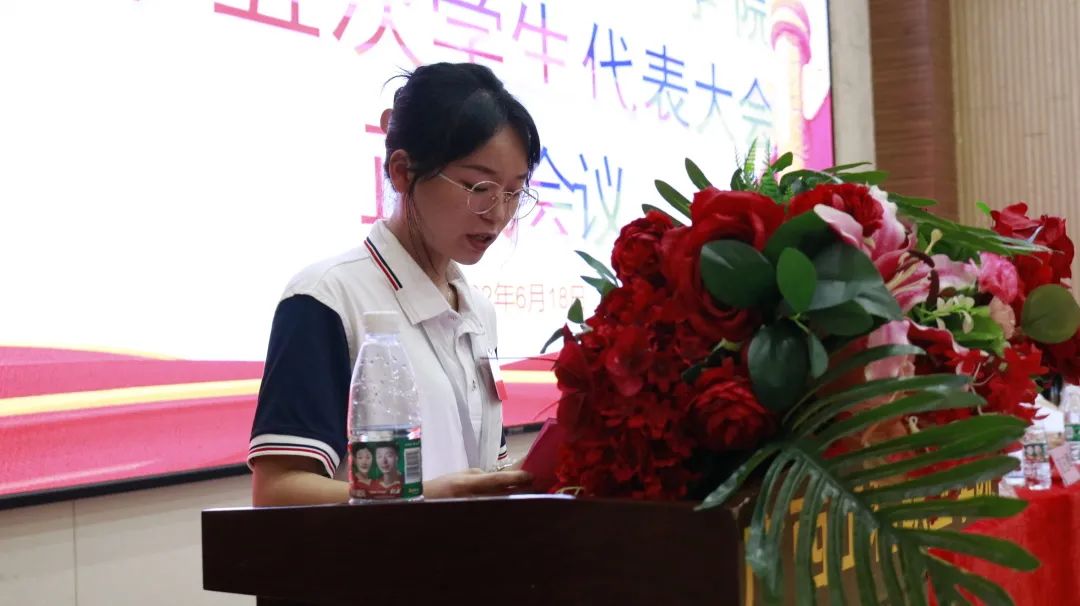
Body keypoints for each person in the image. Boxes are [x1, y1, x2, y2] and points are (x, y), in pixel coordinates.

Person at [249, 62, 536, 506]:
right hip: (376, 554)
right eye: (478, 186)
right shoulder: (326, 297)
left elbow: (480, 466)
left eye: (514, 192)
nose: (497, 214)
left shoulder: (479, 312)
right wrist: (420, 499)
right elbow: (276, 491)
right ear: (402, 171)